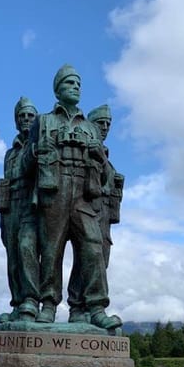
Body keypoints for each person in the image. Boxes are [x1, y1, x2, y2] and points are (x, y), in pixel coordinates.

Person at [22, 64, 121, 330]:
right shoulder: (43, 121)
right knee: (51, 249)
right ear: (57, 89)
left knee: (92, 246)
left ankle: (93, 307)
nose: (75, 87)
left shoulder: (90, 128)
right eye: (69, 83)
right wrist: (35, 153)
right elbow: (23, 167)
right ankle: (48, 304)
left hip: (83, 194)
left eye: (78, 84)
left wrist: (98, 156)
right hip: (53, 190)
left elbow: (103, 178)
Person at [67, 104, 124, 322]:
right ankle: (79, 307)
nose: (105, 127)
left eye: (108, 124)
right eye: (101, 123)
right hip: (84, 210)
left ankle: (84, 309)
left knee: (98, 260)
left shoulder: (105, 158)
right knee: (88, 257)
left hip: (104, 218)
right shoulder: (85, 153)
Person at [0, 97, 39, 322]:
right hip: (9, 207)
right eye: (21, 116)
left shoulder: (39, 145)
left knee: (26, 248)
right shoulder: (9, 153)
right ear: (16, 120)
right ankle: (18, 304)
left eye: (30, 115)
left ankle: (32, 301)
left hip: (30, 206)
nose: (25, 119)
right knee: (13, 257)